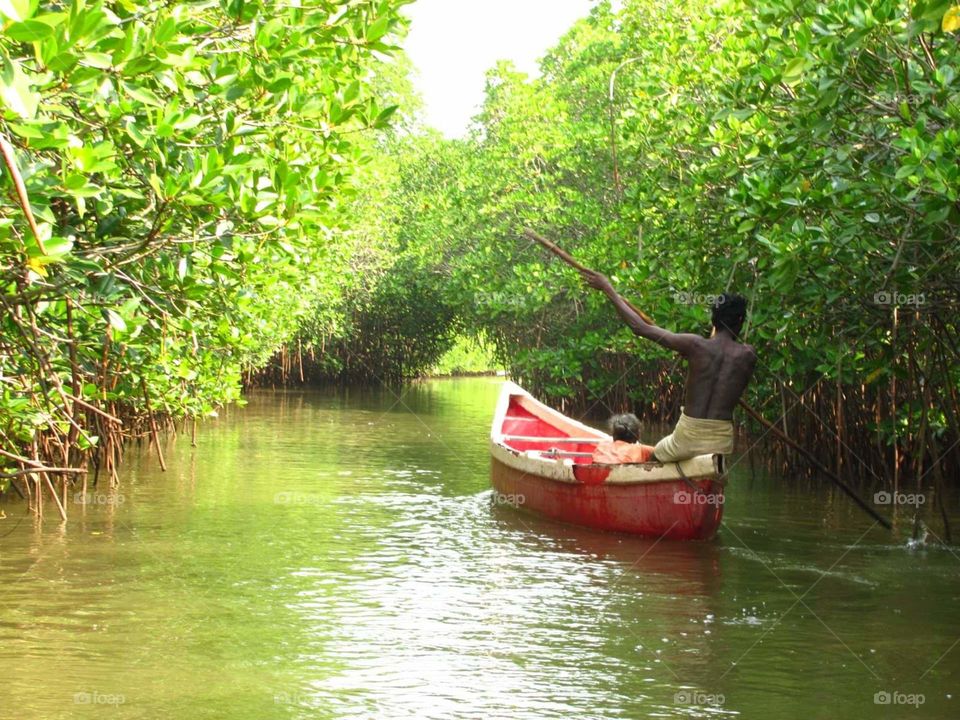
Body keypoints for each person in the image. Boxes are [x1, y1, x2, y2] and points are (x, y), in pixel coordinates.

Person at [579, 271, 756, 463]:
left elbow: (639, 327)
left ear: (713, 321)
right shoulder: (748, 355)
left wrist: (608, 288)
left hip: (685, 440)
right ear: (740, 321)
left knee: (652, 455)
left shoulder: (695, 346)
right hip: (719, 444)